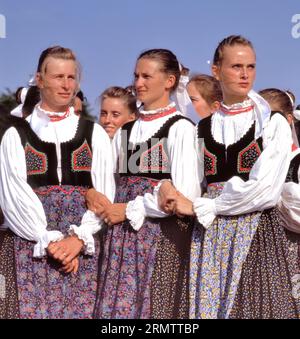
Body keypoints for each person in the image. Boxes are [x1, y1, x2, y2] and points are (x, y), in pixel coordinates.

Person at [159, 35, 297, 318]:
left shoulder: (272, 124)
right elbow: (190, 183)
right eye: (236, 66)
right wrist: (166, 186)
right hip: (209, 236)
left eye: (250, 66)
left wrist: (207, 206)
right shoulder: (202, 128)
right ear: (217, 70)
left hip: (256, 231)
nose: (245, 74)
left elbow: (265, 190)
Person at [0, 45, 115, 319]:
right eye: (58, 77)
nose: (66, 85)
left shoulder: (93, 133)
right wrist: (48, 240)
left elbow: (104, 193)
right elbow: (14, 195)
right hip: (31, 244)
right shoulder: (17, 135)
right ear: (40, 80)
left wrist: (78, 240)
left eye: (71, 77)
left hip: (84, 245)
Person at [89, 48, 200, 319]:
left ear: (169, 81)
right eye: (136, 75)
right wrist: (93, 192)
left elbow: (185, 194)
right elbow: (108, 181)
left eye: (147, 76)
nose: (138, 83)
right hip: (121, 239)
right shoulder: (125, 129)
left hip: (162, 239)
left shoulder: (180, 128)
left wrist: (127, 209)